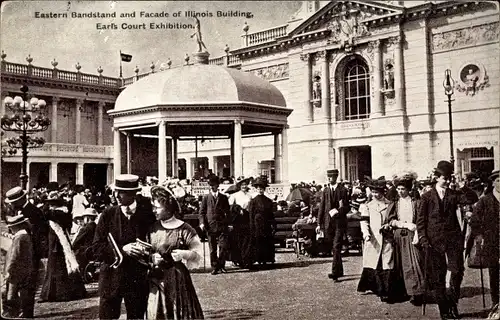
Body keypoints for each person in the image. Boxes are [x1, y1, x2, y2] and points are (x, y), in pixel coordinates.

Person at [92, 174, 156, 319]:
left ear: (133, 194)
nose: (116, 196)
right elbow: (96, 247)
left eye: (121, 192)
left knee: (136, 316)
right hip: (111, 278)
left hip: (137, 279)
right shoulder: (107, 214)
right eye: (116, 192)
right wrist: (122, 250)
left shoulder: (147, 215)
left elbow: (156, 243)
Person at [416, 160, 471, 319]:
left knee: (457, 272)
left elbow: (470, 198)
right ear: (437, 178)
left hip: (453, 239)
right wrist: (424, 239)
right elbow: (421, 221)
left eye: (449, 178)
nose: (447, 181)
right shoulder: (426, 197)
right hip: (433, 242)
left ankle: (453, 303)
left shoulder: (453, 194)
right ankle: (444, 310)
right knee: (438, 276)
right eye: (444, 178)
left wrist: (462, 186)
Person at [146, 186, 204, 319]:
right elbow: (145, 251)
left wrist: (184, 254)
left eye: (157, 207)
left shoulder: (184, 228)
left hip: (177, 279)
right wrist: (152, 257)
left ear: (168, 207)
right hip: (157, 279)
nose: (154, 210)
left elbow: (197, 252)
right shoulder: (153, 228)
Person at [4, 186, 48, 310]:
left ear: (20, 200)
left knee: (28, 285)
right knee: (15, 282)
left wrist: (36, 253)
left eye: (13, 202)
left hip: (30, 254)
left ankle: (27, 312)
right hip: (19, 253)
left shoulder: (34, 212)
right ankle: (17, 309)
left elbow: (41, 234)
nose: (11, 205)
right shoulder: (16, 211)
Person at [39, 191, 87, 302]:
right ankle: (72, 291)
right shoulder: (63, 213)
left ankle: (57, 294)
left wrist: (45, 204)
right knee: (62, 266)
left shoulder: (57, 214)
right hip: (60, 241)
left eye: (51, 203)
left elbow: (44, 213)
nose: (50, 205)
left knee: (56, 268)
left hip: (57, 244)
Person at [387, 173, 424, 305]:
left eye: (403, 189)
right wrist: (400, 223)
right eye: (398, 189)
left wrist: (416, 231)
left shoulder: (416, 203)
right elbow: (390, 219)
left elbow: (421, 220)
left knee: (413, 263)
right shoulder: (395, 203)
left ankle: (415, 292)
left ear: (408, 190)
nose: (400, 191)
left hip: (411, 236)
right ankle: (401, 292)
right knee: (398, 264)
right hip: (398, 236)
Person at [357, 177, 395, 302]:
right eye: (373, 192)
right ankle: (376, 288)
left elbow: (392, 220)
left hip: (386, 239)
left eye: (377, 192)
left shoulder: (389, 204)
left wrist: (389, 226)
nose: (375, 194)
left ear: (383, 191)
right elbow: (364, 222)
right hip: (373, 239)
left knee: (386, 264)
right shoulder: (367, 206)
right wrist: (366, 234)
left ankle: (387, 291)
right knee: (374, 264)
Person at [467, 170, 499, 316]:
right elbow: (474, 221)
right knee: (494, 273)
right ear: (493, 183)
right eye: (498, 180)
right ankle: (496, 302)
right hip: (491, 242)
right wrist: (479, 236)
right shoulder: (485, 201)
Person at [316, 169, 350, 282]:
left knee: (336, 246)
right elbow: (322, 207)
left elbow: (346, 207)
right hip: (328, 223)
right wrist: (318, 223)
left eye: (331, 176)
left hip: (339, 223)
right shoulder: (325, 190)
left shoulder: (343, 190)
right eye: (328, 176)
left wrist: (338, 211)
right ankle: (339, 270)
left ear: (336, 177)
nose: (329, 178)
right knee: (334, 248)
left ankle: (335, 273)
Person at [3, 215, 34, 318]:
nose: (10, 229)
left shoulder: (19, 238)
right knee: (24, 292)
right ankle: (24, 313)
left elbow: (14, 256)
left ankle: (14, 313)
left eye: (11, 226)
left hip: (17, 270)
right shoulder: (26, 236)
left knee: (11, 294)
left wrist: (8, 270)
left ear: (16, 227)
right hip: (26, 268)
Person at [199, 175, 231, 275]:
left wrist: (229, 223)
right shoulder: (206, 198)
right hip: (210, 225)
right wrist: (202, 223)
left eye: (215, 185)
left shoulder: (223, 197)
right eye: (211, 185)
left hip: (222, 225)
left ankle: (222, 265)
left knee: (223, 246)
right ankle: (214, 266)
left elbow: (228, 212)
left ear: (218, 185)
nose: (213, 187)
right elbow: (202, 212)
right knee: (212, 248)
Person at [248, 177, 276, 267]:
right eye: (258, 189)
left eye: (262, 189)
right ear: (256, 189)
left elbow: (271, 213)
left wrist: (273, 224)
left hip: (266, 223)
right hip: (257, 223)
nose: (260, 190)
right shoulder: (253, 201)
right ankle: (259, 259)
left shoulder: (268, 201)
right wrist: (252, 226)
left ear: (264, 189)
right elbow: (251, 214)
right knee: (258, 241)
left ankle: (267, 259)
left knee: (267, 241)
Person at [228, 177, 254, 268]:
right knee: (238, 240)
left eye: (245, 185)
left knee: (247, 241)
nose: (244, 186)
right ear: (239, 186)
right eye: (242, 185)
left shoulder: (249, 196)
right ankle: (238, 260)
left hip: (247, 219)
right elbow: (230, 208)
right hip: (238, 219)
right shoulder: (234, 195)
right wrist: (238, 208)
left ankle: (246, 259)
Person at [72, 207, 98, 277]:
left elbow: (76, 242)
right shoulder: (97, 227)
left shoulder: (85, 228)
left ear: (87, 218)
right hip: (95, 251)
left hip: (86, 252)